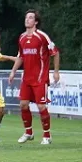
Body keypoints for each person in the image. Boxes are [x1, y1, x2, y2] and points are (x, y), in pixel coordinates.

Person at [8, 9, 60, 145]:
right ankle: (28, 132)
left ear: (36, 21)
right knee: (23, 105)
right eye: (26, 17)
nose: (27, 20)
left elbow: (55, 52)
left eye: (30, 18)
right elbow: (20, 56)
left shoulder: (42, 36)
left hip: (40, 78)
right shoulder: (22, 37)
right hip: (27, 78)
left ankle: (47, 136)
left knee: (41, 106)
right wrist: (13, 71)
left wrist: (56, 72)